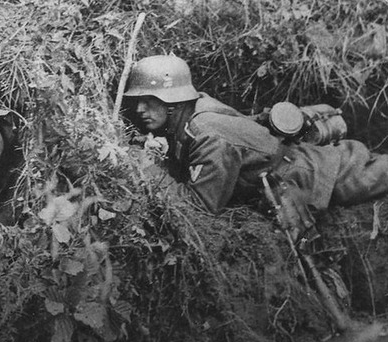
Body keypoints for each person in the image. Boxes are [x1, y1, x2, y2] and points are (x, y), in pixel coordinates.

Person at [123, 54, 388, 238]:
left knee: (379, 174)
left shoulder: (207, 133)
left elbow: (201, 206)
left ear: (173, 100)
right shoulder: (195, 112)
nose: (140, 108)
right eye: (137, 100)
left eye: (149, 99)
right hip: (297, 165)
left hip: (317, 173)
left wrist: (146, 168)